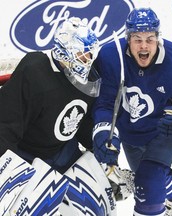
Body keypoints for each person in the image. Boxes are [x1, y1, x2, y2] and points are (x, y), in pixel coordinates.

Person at [92, 7, 172, 216]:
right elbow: (105, 103)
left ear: (158, 39)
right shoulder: (111, 57)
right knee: (148, 178)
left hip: (165, 132)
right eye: (137, 39)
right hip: (130, 132)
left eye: (149, 39)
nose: (144, 46)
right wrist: (104, 131)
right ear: (128, 39)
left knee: (146, 185)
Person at [0, 17, 101, 174]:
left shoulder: (89, 79)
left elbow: (82, 123)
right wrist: (8, 169)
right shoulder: (35, 71)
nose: (87, 61)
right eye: (82, 54)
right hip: (26, 155)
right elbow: (6, 125)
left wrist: (100, 147)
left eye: (89, 55)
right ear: (65, 52)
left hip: (62, 152)